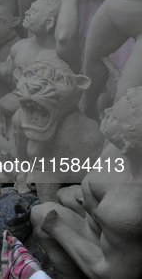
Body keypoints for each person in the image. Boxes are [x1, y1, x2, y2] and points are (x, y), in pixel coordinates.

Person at [30, 86, 142, 279]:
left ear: (128, 143)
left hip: (108, 261)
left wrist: (58, 227)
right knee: (64, 195)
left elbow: (109, 273)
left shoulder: (127, 210)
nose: (106, 112)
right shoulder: (120, 148)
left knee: (41, 215)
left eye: (114, 118)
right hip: (104, 227)